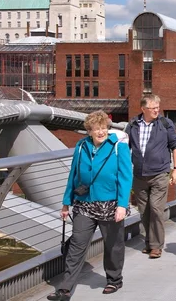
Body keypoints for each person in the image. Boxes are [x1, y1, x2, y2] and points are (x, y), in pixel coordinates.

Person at [47, 111, 132, 301]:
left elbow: (126, 177)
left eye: (104, 128)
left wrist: (122, 205)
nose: (101, 132)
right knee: (77, 244)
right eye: (96, 129)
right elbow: (74, 175)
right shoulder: (81, 146)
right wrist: (66, 202)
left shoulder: (118, 146)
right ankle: (65, 289)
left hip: (110, 204)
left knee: (113, 245)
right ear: (89, 131)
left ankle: (114, 279)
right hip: (84, 204)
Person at [127, 94, 176, 259]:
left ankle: (156, 246)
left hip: (159, 173)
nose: (157, 110)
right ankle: (150, 242)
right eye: (153, 108)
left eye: (158, 107)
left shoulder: (165, 124)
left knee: (156, 209)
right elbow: (124, 146)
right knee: (144, 211)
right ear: (143, 109)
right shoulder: (133, 125)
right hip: (139, 175)